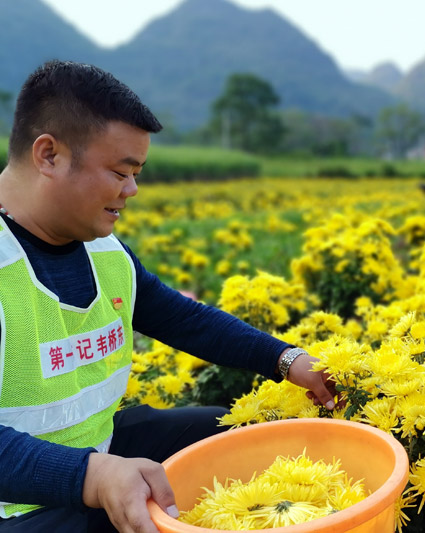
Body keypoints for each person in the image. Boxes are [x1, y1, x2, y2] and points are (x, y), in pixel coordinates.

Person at [0, 61, 337, 532]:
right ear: (49, 155)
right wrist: (92, 478)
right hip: (17, 504)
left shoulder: (104, 251)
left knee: (235, 437)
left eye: (137, 172)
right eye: (121, 171)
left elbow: (185, 319)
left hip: (97, 451)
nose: (133, 190)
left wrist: (288, 360)